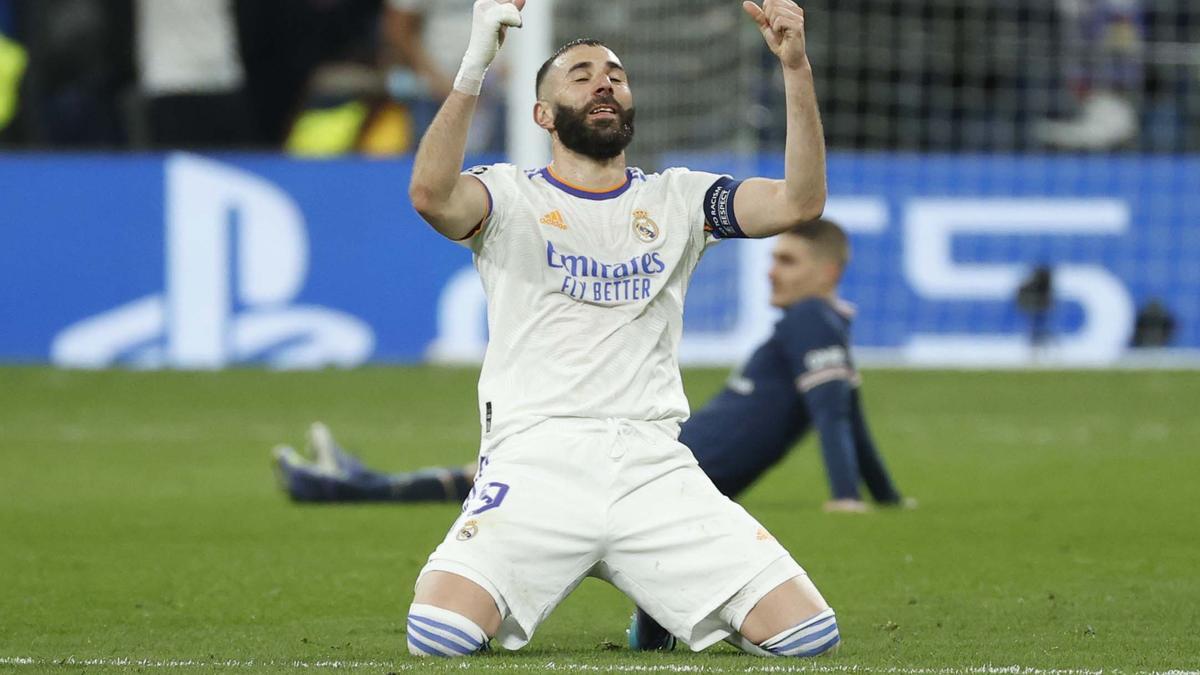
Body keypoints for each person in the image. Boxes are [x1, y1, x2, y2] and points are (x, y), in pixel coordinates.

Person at [398, 0, 834, 658]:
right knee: (439, 635)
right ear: (542, 115)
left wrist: (795, 68)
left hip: (652, 466)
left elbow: (800, 201)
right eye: (580, 74)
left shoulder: (681, 199)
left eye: (615, 73)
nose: (604, 81)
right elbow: (431, 195)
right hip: (537, 459)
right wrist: (474, 62)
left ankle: (658, 603)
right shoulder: (509, 195)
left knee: (808, 636)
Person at [276, 220, 909, 515]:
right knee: (506, 474)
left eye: (790, 262)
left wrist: (849, 499)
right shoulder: (823, 328)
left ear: (828, 273)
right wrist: (886, 497)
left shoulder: (809, 321)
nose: (772, 270)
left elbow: (836, 416)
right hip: (671, 453)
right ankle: (353, 484)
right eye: (774, 259)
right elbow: (849, 417)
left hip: (671, 466)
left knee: (507, 475)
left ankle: (345, 487)